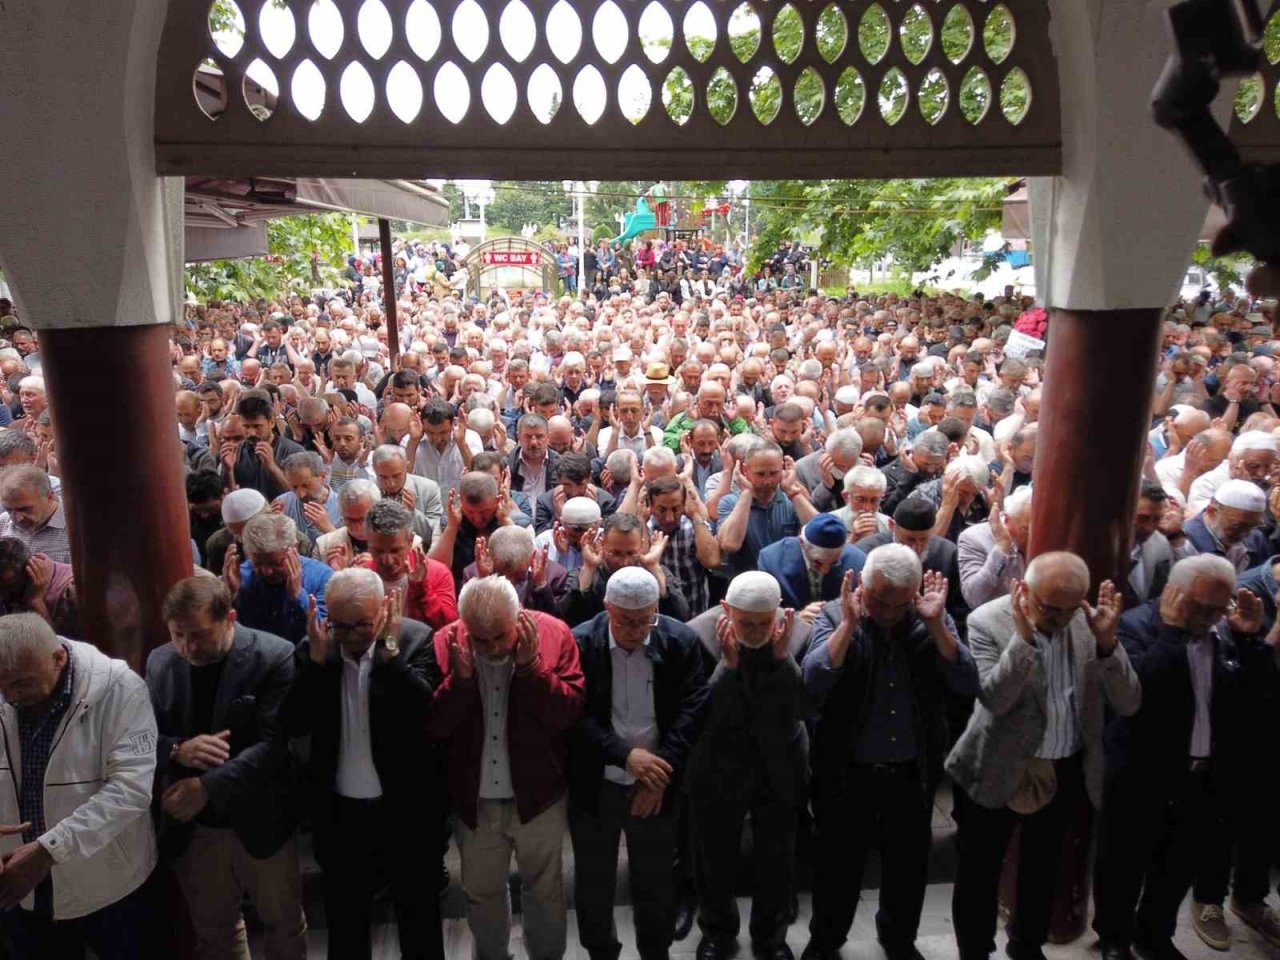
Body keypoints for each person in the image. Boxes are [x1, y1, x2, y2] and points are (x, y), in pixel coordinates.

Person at [946, 552, 1141, 960]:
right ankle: (974, 951)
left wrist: (1108, 645)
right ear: (1024, 589)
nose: (1060, 618)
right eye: (1049, 608)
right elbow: (994, 699)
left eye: (1070, 609)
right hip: (996, 764)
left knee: (1042, 868)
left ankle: (1026, 944)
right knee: (979, 873)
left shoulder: (1090, 626)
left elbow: (1128, 703)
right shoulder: (987, 621)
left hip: (1064, 767)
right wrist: (1025, 639)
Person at [801, 547, 979, 960]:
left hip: (911, 770)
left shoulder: (930, 616)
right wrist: (848, 625)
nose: (888, 612)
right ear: (862, 584)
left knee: (907, 866)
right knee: (838, 866)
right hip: (847, 769)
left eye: (901, 603)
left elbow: (967, 681)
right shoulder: (835, 613)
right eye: (879, 600)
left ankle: (898, 939)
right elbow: (812, 681)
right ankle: (827, 940)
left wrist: (937, 627)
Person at [1093, 555, 1268, 960]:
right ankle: (1115, 939)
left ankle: (1154, 935)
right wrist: (1171, 637)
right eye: (1201, 608)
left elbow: (1251, 698)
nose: (1210, 618)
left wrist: (1248, 640)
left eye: (1218, 609)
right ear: (1175, 593)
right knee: (1122, 864)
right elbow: (1134, 699)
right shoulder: (1135, 626)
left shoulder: (1224, 632)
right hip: (1141, 771)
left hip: (1201, 774)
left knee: (1177, 866)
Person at [282, 567, 447, 960]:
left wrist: (390, 660)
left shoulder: (414, 640)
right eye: (340, 626)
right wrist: (317, 668)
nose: (351, 637)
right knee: (346, 922)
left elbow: (429, 715)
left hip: (406, 812)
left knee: (419, 920)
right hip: (341, 815)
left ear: (386, 608)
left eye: (362, 626)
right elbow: (292, 723)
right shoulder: (317, 648)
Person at [428, 575, 585, 960]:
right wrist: (460, 684)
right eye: (480, 640)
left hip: (539, 795)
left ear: (519, 617)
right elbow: (433, 727)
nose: (493, 648)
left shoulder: (554, 635)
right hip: (474, 799)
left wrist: (532, 669)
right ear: (464, 626)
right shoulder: (444, 644)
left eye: (501, 636)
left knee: (544, 889)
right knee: (480, 892)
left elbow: (568, 714)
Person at [147, 576, 304, 960]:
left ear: (230, 618)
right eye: (178, 635)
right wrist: (177, 750)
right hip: (196, 828)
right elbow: (141, 734)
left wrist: (207, 787)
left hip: (261, 817)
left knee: (283, 924)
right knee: (215, 932)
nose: (188, 647)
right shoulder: (160, 660)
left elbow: (276, 745)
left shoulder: (275, 655)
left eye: (199, 635)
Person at [568, 566, 709, 960]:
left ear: (656, 610)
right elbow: (575, 716)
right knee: (594, 882)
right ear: (606, 607)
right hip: (598, 780)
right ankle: (600, 951)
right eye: (625, 621)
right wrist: (625, 756)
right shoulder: (581, 642)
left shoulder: (679, 640)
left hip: (658, 782)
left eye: (644, 620)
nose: (635, 629)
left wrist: (660, 772)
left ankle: (655, 950)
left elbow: (693, 709)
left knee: (656, 880)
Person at [0, 612, 159, 958]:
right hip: (19, 884)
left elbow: (130, 790)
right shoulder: (6, 689)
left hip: (107, 882)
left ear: (58, 658)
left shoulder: (120, 689)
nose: (9, 696)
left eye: (21, 684)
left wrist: (48, 850)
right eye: (2, 684)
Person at [688, 572, 811, 960]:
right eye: (746, 624)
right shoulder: (697, 637)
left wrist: (781, 657)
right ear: (726, 610)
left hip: (779, 759)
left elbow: (804, 708)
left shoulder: (801, 635)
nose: (757, 632)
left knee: (777, 854)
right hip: (720, 761)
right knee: (715, 855)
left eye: (764, 623)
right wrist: (728, 666)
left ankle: (771, 937)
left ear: (779, 614)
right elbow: (699, 715)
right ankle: (717, 933)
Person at [224, 512, 333, 644]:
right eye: (257, 563)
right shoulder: (240, 576)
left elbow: (325, 636)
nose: (267, 571)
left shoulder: (322, 577)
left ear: (295, 548)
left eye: (276, 563)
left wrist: (299, 596)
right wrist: (231, 597)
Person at [717, 439, 819, 577]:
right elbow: (730, 544)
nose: (767, 480)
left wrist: (793, 493)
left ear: (782, 469)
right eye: (760, 474)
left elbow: (820, 532)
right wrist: (746, 494)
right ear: (745, 470)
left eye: (773, 473)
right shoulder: (730, 502)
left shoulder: (790, 501)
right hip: (749, 583)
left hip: (788, 581)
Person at [567, 511, 691, 624]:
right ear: (602, 543)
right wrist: (588, 569)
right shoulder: (584, 574)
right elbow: (568, 618)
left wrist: (654, 568)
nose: (624, 562)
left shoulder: (656, 572)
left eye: (631, 553)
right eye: (616, 553)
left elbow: (681, 617)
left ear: (642, 545)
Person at [362, 498, 457, 631]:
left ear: (410, 540)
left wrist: (422, 590)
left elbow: (447, 628)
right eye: (378, 551)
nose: (387, 560)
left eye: (395, 551)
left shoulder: (438, 573)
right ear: (367, 542)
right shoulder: (360, 577)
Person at [758, 513, 867, 617]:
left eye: (834, 562)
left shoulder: (857, 562)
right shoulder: (772, 560)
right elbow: (764, 612)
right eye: (818, 562)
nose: (825, 570)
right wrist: (796, 618)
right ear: (801, 542)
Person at [645, 473, 721, 617]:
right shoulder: (645, 529)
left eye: (675, 509)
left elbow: (713, 561)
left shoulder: (694, 527)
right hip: (657, 617)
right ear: (651, 506)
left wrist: (695, 515)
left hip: (694, 615)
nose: (669, 518)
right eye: (662, 510)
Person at [464, 524, 571, 617]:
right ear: (491, 557)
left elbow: (555, 624)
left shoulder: (555, 575)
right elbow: (470, 619)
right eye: (500, 575)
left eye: (519, 577)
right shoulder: (474, 573)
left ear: (532, 557)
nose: (510, 583)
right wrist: (485, 581)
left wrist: (540, 586)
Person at [957, 487, 1032, 609]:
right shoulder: (974, 538)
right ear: (1007, 520)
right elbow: (974, 598)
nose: (1034, 538)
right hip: (997, 620)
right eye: (1026, 530)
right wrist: (1002, 548)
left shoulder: (1047, 537)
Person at [1184, 478, 1268, 573]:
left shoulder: (1255, 540)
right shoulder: (1186, 542)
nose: (1246, 534)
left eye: (1252, 526)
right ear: (1212, 511)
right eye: (1237, 526)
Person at [0, 537, 77, 636]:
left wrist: (36, 601)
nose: (2, 595)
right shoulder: (15, 581)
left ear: (29, 572)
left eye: (6, 587)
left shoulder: (71, 594)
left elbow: (60, 647)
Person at [369, 443, 444, 544]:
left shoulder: (429, 489)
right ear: (374, 469)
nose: (391, 483)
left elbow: (434, 535)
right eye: (383, 477)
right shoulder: (367, 492)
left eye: (396, 476)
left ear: (407, 467)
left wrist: (413, 513)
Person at [273, 450, 343, 548]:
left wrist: (328, 528)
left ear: (323, 476)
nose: (300, 494)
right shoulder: (282, 503)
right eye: (294, 487)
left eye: (306, 485)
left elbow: (351, 549)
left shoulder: (343, 506)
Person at [0, 465, 69, 563]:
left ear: (49, 496)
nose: (17, 518)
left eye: (25, 509)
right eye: (9, 510)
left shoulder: (76, 528)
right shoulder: (3, 522)